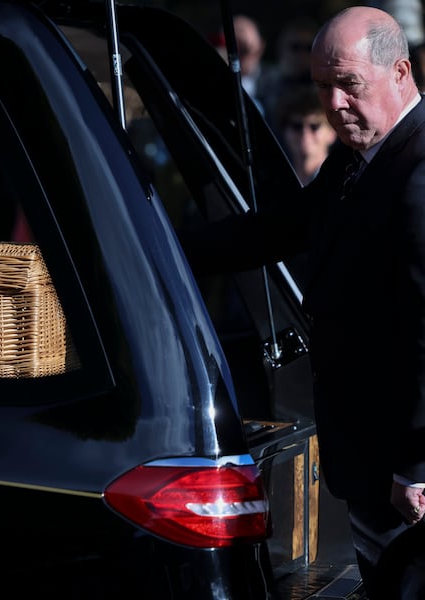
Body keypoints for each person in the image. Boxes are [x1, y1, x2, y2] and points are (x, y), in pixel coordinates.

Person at [183, 7, 425, 598]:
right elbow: (283, 227)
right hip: (367, 453)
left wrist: (416, 469)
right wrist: (158, 248)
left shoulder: (418, 173)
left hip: (404, 465)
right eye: (322, 85)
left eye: (349, 84)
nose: (334, 104)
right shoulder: (358, 151)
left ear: (401, 72)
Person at [276, 84, 337, 185]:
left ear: (332, 132)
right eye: (297, 126)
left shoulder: (342, 182)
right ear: (284, 131)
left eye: (314, 126)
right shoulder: (275, 183)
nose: (305, 133)